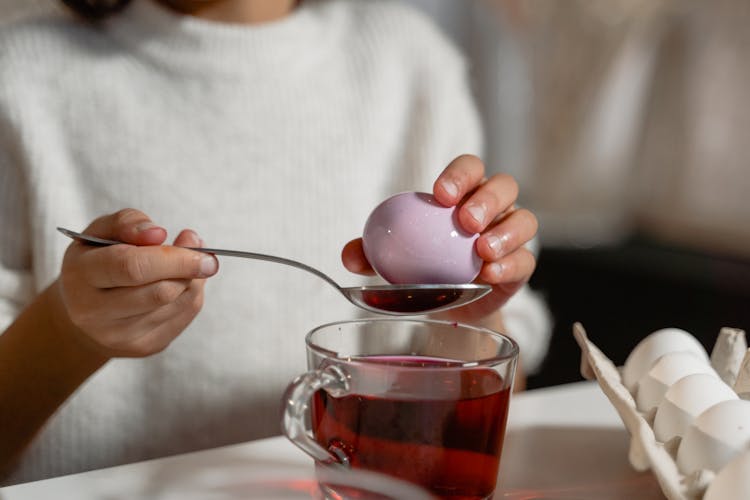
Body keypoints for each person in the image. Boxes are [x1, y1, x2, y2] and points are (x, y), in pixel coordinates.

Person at [0, 0, 551, 484]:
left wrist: (473, 315)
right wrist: (68, 332)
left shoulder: (409, 64)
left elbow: (491, 422)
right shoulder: (22, 74)